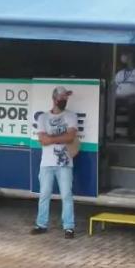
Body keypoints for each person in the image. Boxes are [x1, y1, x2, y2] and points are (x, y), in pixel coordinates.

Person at [31, 86, 79, 238]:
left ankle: (69, 227)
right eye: (61, 99)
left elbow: (70, 137)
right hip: (46, 162)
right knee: (44, 194)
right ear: (54, 99)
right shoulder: (43, 117)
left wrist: (50, 139)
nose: (64, 101)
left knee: (66, 195)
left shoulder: (71, 116)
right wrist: (60, 138)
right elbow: (42, 140)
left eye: (65, 98)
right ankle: (41, 224)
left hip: (65, 162)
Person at [114, 53, 135, 141]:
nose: (126, 63)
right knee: (110, 103)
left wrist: (132, 95)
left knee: (132, 103)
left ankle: (131, 135)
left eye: (128, 60)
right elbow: (114, 87)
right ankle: (112, 133)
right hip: (119, 98)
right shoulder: (120, 73)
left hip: (133, 98)